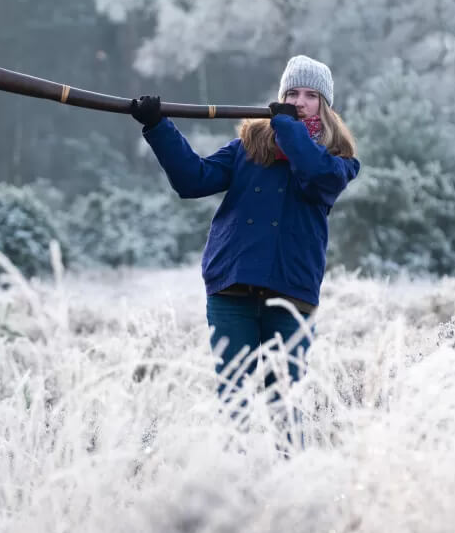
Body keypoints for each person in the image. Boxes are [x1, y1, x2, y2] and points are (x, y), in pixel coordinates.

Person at [129, 55, 360, 431]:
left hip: (292, 293)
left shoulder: (339, 162)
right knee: (232, 403)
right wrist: (158, 127)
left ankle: (289, 483)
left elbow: (312, 171)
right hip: (231, 286)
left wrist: (287, 127)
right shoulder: (247, 147)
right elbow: (193, 180)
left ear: (325, 105)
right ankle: (233, 481)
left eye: (310, 95)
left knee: (284, 406)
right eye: (292, 93)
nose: (300, 102)